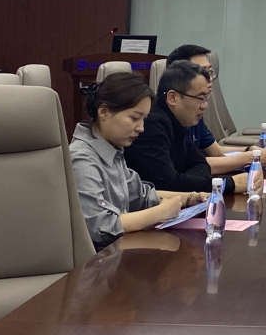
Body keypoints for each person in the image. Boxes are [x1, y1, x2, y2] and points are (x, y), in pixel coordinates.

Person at [70, 72, 209, 249]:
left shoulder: (112, 148)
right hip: (97, 260)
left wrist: (191, 198)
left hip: (118, 252)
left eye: (144, 119)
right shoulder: (82, 158)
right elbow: (101, 226)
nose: (141, 128)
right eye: (134, 118)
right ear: (104, 112)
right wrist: (160, 212)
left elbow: (141, 195)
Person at [125, 61, 254, 195]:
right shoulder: (150, 126)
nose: (204, 106)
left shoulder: (177, 122)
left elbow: (201, 164)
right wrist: (229, 184)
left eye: (206, 99)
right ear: (173, 98)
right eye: (200, 98)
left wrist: (183, 178)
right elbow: (168, 185)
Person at [164, 44, 266, 172]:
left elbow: (216, 151)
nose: (209, 78)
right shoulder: (166, 120)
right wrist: (248, 158)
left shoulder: (193, 111)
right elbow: (189, 165)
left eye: (210, 71)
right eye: (202, 72)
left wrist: (249, 150)